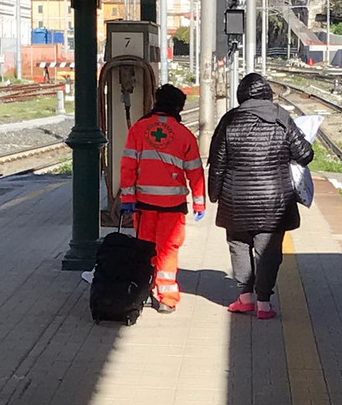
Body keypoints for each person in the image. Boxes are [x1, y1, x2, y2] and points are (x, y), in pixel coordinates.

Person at [208, 73, 314, 319]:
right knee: (268, 253)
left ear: (241, 95)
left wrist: (213, 194)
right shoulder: (281, 117)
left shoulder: (230, 119)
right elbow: (304, 155)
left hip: (235, 199)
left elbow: (217, 163)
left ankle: (245, 298)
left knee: (239, 246)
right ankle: (264, 304)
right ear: (267, 94)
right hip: (274, 201)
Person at [120, 84, 205, 314]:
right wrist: (199, 202)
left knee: (145, 249)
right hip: (173, 206)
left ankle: (144, 292)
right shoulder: (184, 134)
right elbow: (195, 172)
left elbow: (128, 165)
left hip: (143, 204)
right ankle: (167, 298)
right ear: (178, 107)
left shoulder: (139, 129)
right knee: (168, 249)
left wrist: (128, 197)